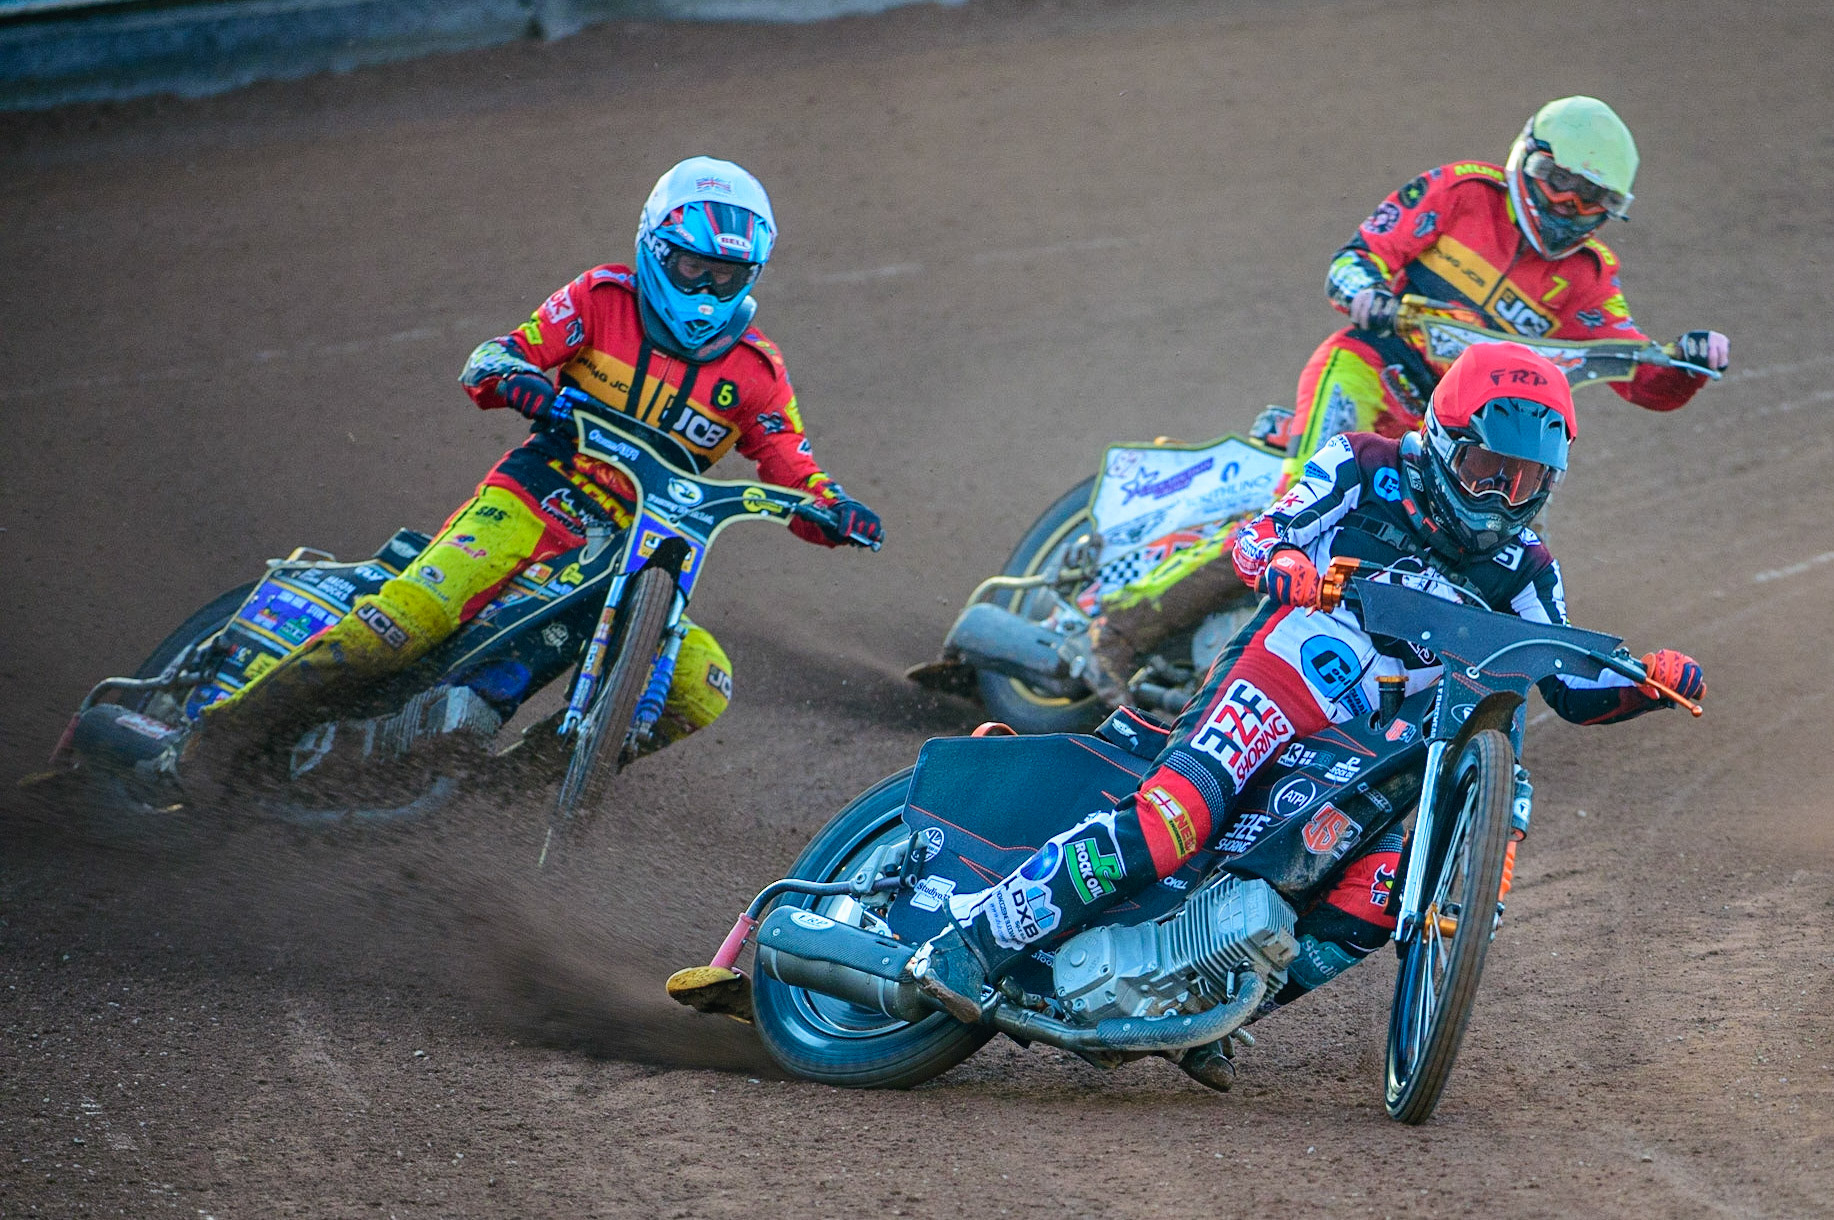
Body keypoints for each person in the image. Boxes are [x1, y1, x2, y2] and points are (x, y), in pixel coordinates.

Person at [908, 343, 1704, 1050]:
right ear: (1442, 440)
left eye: (1526, 479)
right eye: (1486, 471)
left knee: (1374, 896)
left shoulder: (1528, 568)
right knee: (1170, 822)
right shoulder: (1364, 466)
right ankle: (968, 944)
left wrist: (1651, 681)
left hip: (1381, 739)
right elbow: (1263, 534)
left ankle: (1209, 1015)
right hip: (1284, 677)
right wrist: (1284, 560)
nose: (1501, 496)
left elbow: (1569, 683)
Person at [189, 156, 883, 767]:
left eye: (724, 275)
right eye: (691, 267)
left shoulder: (757, 371)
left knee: (700, 687)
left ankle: (510, 785)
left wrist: (832, 508)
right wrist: (517, 377)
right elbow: (495, 357)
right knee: (411, 619)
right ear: (654, 248)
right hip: (534, 496)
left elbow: (795, 464)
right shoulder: (599, 299)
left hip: (639, 547)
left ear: (750, 275)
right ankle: (215, 739)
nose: (705, 289)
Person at [1086, 96, 1728, 702]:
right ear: (1525, 158)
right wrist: (1365, 290)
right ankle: (1120, 629)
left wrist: (1688, 364)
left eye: (1593, 200)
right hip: (1373, 372)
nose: (1567, 207)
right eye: (1559, 181)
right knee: (1299, 515)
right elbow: (1357, 257)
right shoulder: (1459, 193)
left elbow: (1641, 374)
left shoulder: (1587, 279)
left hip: (1466, 436)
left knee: (1496, 540)